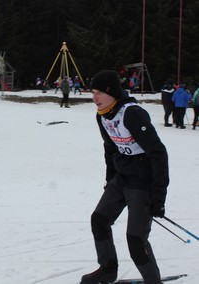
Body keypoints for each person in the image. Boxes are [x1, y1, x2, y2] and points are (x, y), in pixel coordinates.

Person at [80, 70, 169, 284]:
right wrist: (111, 177)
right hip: (121, 178)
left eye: (99, 92)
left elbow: (158, 153)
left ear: (112, 92)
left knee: (136, 239)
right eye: (93, 92)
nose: (95, 98)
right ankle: (108, 269)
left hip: (142, 182)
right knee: (99, 220)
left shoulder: (132, 114)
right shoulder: (103, 116)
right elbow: (110, 148)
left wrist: (158, 196)